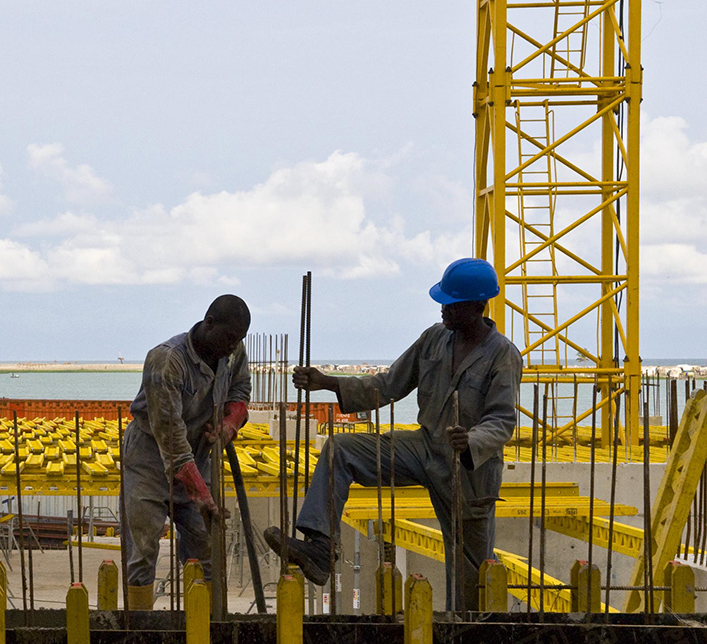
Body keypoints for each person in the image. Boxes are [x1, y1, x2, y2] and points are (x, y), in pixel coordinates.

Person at [263, 258, 521, 611]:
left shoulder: (503, 355)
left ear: (477, 307)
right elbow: (388, 385)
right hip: (425, 447)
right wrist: (329, 383)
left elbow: (503, 419)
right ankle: (321, 548)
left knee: (471, 568)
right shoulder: (434, 339)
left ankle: (467, 635)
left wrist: (472, 440)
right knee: (342, 450)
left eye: (451, 303)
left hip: (469, 469)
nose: (442, 308)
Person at [122, 295, 252, 610]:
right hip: (150, 458)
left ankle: (203, 627)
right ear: (208, 323)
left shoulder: (233, 352)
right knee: (143, 551)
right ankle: (140, 629)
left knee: (206, 545)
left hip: (199, 453)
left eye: (239, 340)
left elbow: (240, 391)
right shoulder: (167, 361)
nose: (233, 347)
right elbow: (171, 439)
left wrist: (230, 424)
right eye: (229, 338)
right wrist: (201, 494)